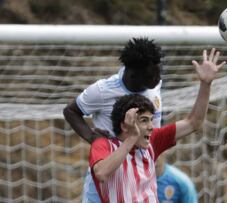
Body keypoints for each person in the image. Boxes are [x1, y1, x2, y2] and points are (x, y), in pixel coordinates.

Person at [89, 48, 226, 202]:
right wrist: (131, 139)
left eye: (151, 119)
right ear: (125, 123)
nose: (151, 126)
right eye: (144, 120)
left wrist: (205, 84)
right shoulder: (103, 145)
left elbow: (194, 122)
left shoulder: (153, 141)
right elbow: (101, 173)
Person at [63, 37, 164, 203]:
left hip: (140, 180)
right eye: (151, 75)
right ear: (132, 74)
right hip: (106, 181)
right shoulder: (103, 90)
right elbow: (70, 111)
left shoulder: (154, 84)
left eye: (158, 71)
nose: (157, 77)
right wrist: (91, 137)